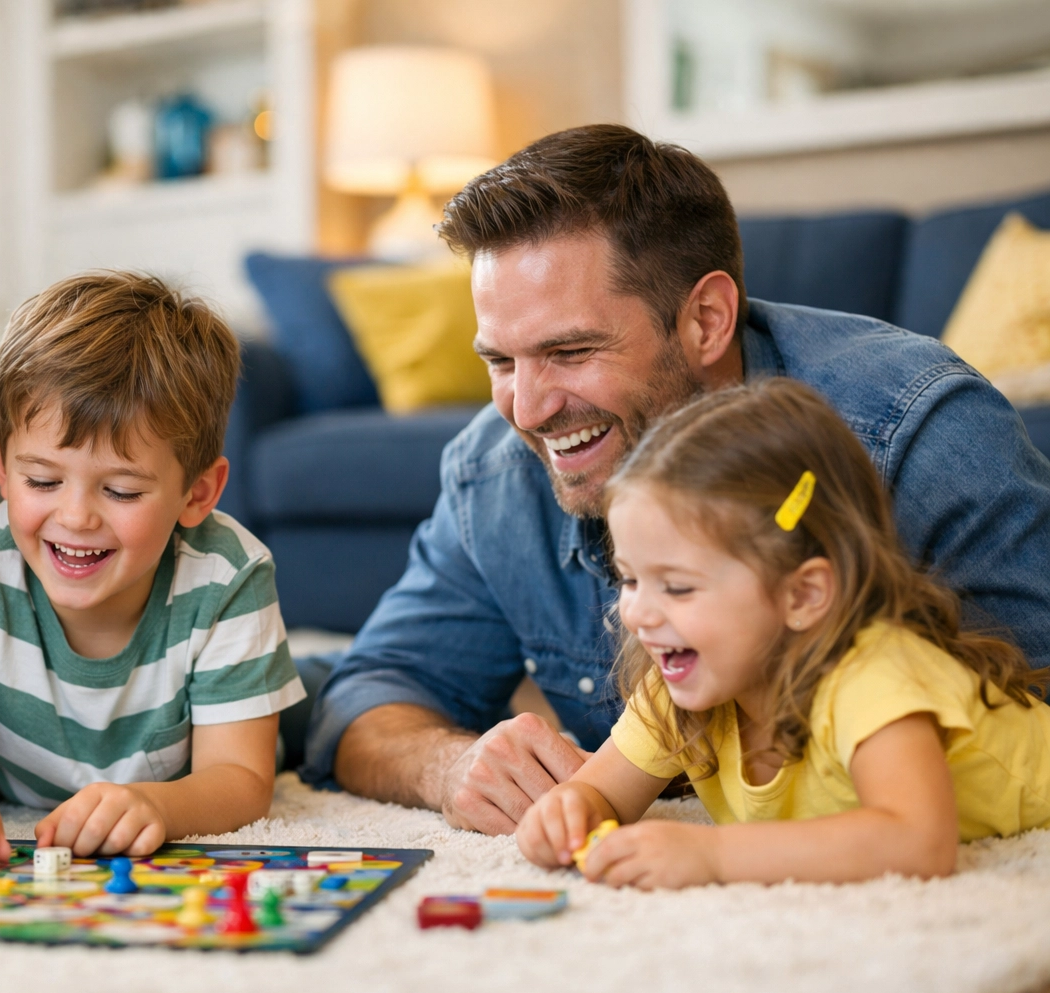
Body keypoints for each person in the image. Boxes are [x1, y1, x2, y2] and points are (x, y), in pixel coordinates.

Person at [300, 124, 1050, 836]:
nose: (526, 410)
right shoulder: (493, 472)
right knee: (303, 689)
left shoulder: (916, 432)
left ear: (706, 320)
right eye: (499, 361)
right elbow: (370, 695)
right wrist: (447, 765)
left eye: (569, 351)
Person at [516, 379, 1050, 887]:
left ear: (802, 595)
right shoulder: (679, 684)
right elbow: (601, 794)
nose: (637, 613)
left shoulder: (873, 675)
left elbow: (918, 842)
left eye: (677, 587)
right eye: (630, 579)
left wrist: (714, 856)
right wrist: (569, 811)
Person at [0, 272, 305, 859]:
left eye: (121, 491)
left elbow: (241, 780)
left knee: (319, 712)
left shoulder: (228, 575)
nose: (76, 517)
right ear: (1, 463)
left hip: (238, 713)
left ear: (197, 493)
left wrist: (158, 805)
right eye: (42, 480)